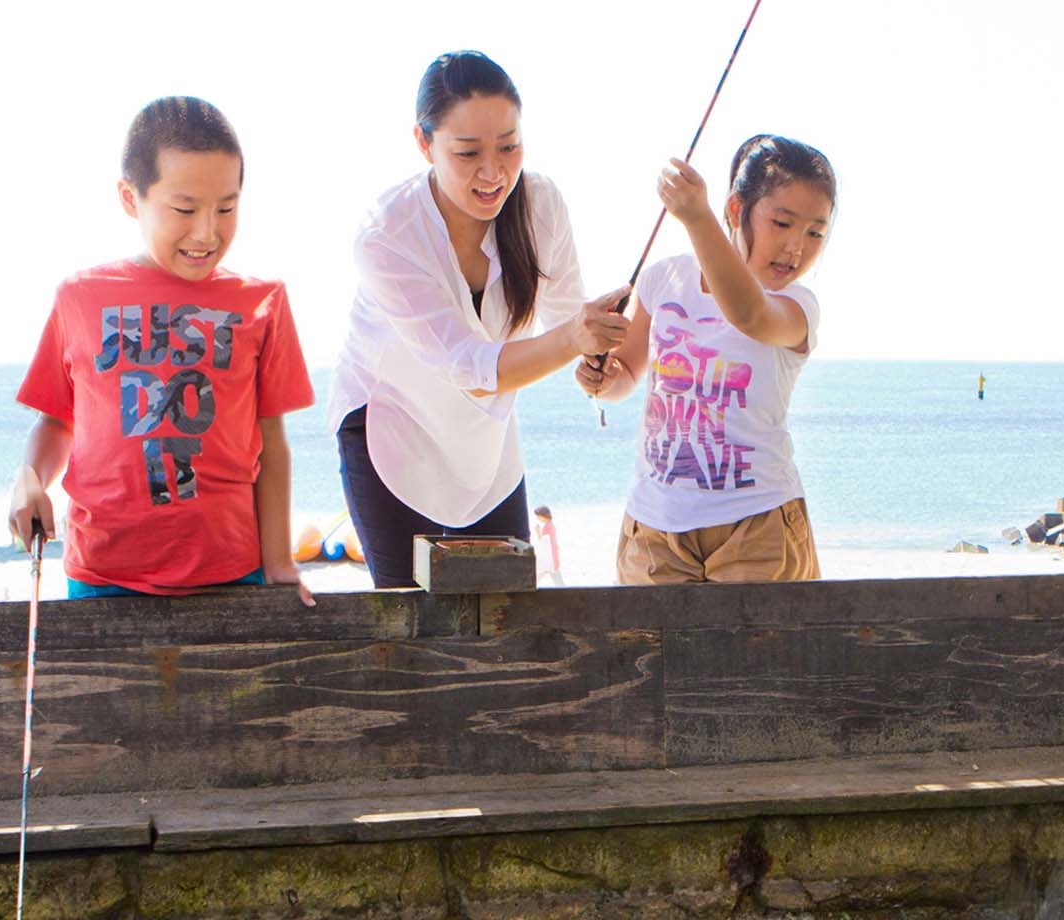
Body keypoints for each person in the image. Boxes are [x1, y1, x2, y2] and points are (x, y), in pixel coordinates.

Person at [329, 51, 630, 590]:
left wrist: (594, 367)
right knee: (408, 620)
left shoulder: (542, 203)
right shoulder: (386, 234)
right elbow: (468, 365)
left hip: (484, 441)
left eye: (509, 147)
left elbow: (569, 320)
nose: (493, 172)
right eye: (468, 152)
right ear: (424, 144)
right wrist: (571, 338)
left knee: (508, 610)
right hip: (390, 426)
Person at [8, 97, 315, 604]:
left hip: (233, 572)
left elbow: (272, 444)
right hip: (103, 574)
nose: (207, 232)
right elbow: (56, 421)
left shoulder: (264, 301)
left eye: (227, 208)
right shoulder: (78, 296)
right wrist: (29, 479)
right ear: (131, 198)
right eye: (184, 209)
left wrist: (279, 561)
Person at [579, 135, 835, 585]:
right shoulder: (663, 279)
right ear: (736, 209)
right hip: (655, 526)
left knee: (764, 658)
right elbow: (624, 377)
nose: (797, 247)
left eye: (815, 232)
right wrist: (598, 375)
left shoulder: (797, 305)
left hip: (759, 526)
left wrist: (697, 219)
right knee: (649, 656)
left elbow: (749, 313)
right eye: (782, 222)